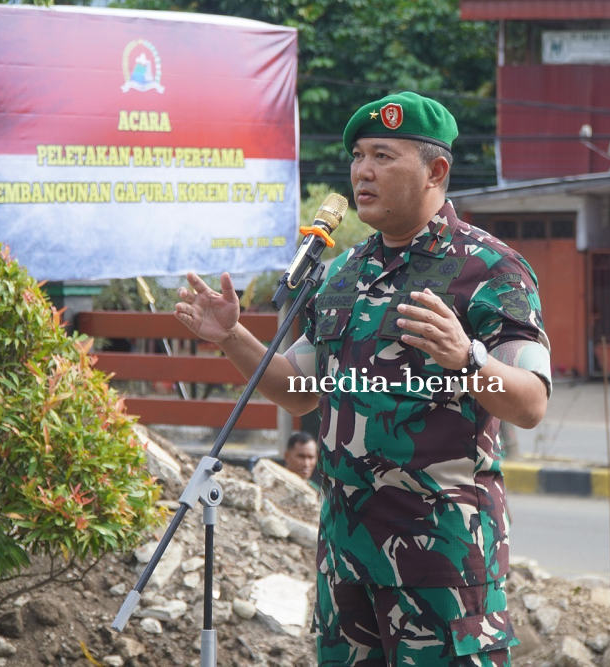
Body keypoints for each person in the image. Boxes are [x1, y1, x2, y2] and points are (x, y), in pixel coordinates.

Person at [175, 91, 551, 666]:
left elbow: (529, 404)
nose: (362, 172)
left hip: (441, 562)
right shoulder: (347, 273)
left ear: (437, 170)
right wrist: (232, 336)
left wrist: (468, 358)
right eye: (357, 156)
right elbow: (296, 389)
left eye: (383, 155)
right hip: (346, 559)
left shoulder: (490, 269)